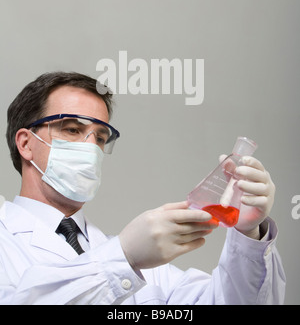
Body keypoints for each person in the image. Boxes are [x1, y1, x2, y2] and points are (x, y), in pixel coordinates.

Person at [0, 72, 285, 305]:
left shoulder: (144, 262)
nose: (91, 148)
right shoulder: (6, 243)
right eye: (72, 129)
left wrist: (248, 235)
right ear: (25, 143)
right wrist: (122, 257)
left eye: (100, 137)